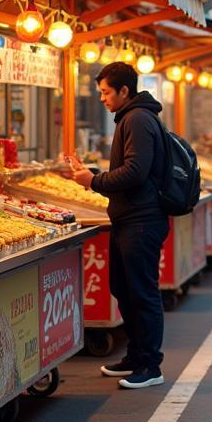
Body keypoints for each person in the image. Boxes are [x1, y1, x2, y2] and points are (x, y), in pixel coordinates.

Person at [70, 62, 168, 390]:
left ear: (124, 91)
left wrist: (93, 180)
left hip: (142, 220)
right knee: (123, 289)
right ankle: (136, 355)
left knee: (142, 292)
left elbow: (136, 171)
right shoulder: (132, 117)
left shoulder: (138, 119)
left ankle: (150, 365)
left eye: (106, 92)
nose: (102, 99)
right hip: (129, 219)